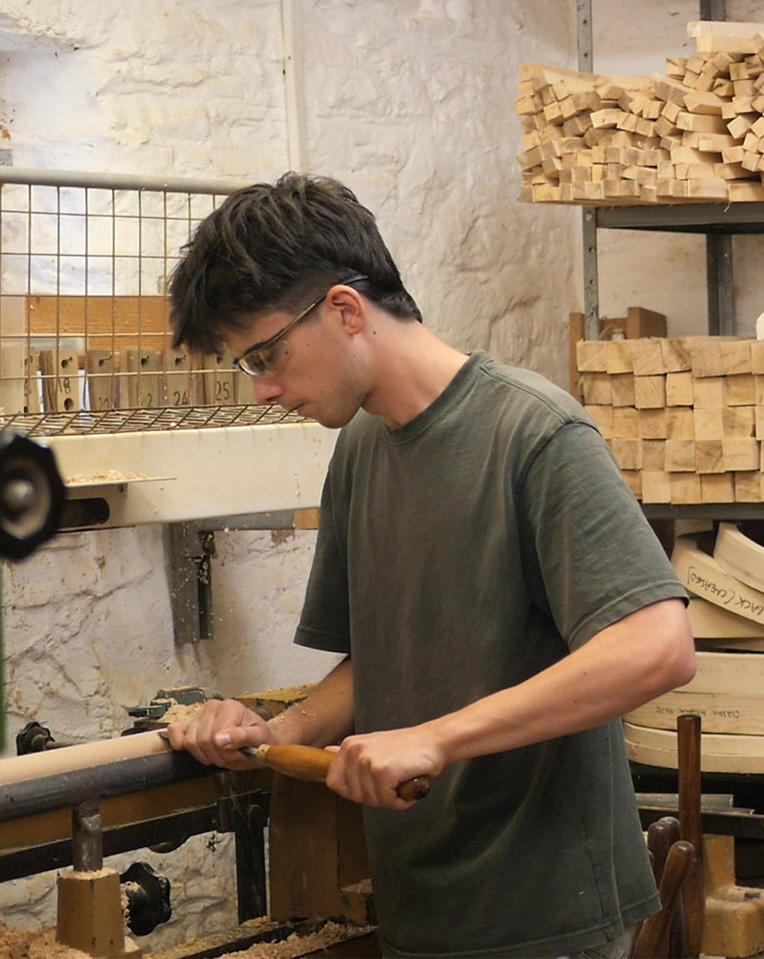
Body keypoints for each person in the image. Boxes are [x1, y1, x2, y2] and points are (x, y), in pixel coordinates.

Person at [167, 172, 695, 959]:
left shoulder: (534, 434)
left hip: (543, 912)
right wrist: (270, 732)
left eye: (266, 356)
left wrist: (437, 740)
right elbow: (377, 664)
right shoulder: (360, 450)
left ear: (345, 310)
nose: (267, 390)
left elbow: (657, 646)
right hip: (422, 903)